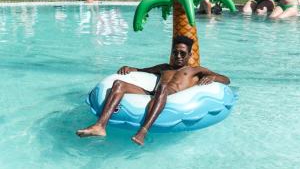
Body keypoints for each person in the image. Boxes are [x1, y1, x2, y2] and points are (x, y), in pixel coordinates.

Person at [76, 36, 230, 145]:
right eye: (175, 52)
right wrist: (130, 68)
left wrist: (213, 78)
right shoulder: (164, 67)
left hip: (171, 97)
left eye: (182, 53)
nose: (178, 56)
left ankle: (143, 131)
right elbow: (142, 70)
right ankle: (100, 126)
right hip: (153, 95)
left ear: (189, 55)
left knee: (162, 87)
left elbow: (226, 79)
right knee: (118, 84)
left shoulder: (194, 70)